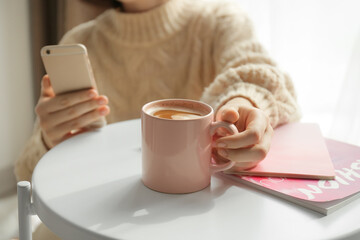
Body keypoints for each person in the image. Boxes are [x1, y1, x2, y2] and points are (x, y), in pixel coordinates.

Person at [15, 0, 300, 239]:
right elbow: (28, 177)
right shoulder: (80, 41)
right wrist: (48, 139)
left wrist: (243, 103)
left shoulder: (220, 22)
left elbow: (258, 73)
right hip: (96, 222)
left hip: (197, 227)